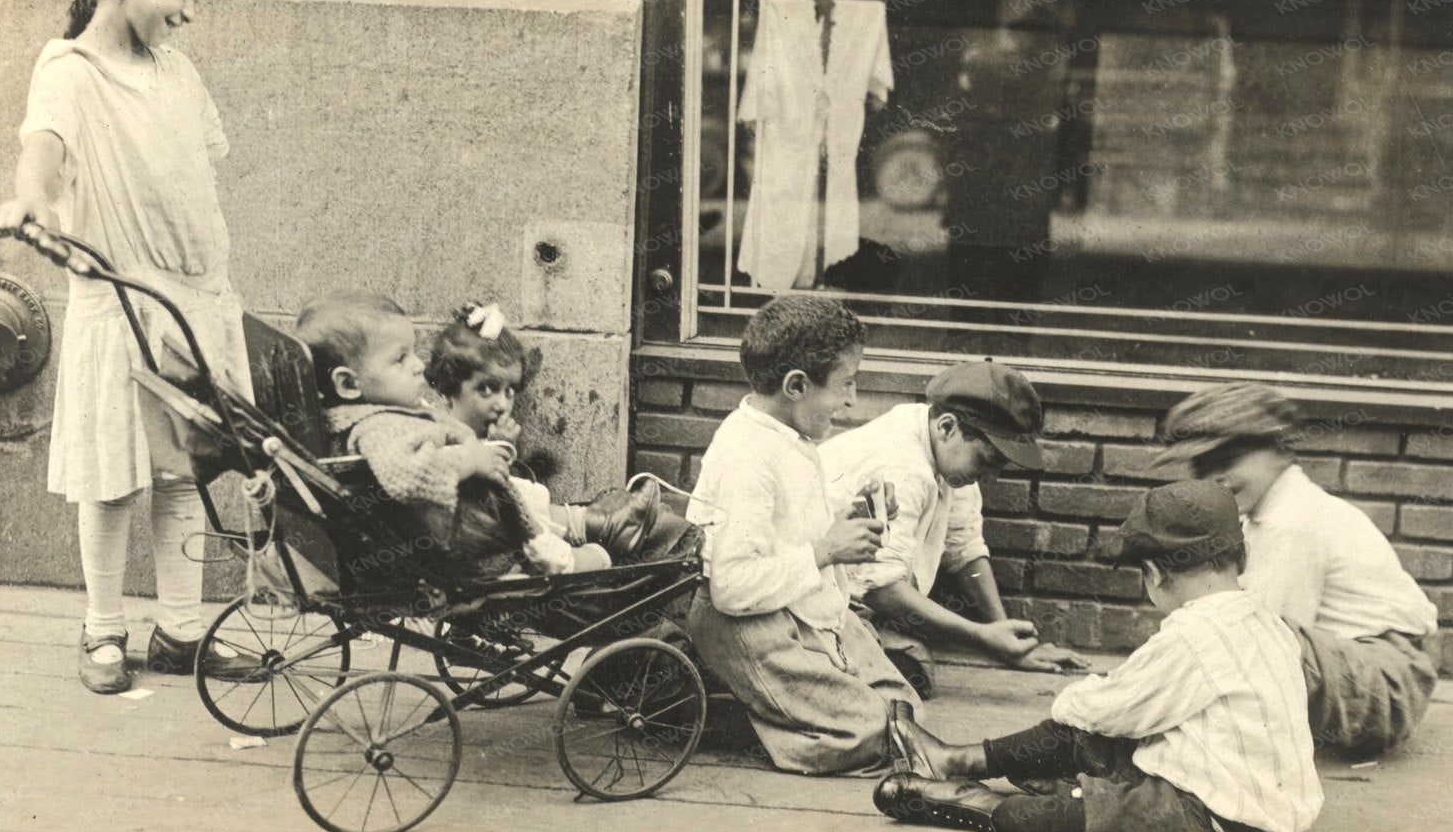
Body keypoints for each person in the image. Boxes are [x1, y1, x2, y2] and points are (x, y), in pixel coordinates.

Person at [0, 0, 259, 695]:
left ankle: (181, 631)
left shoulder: (177, 71)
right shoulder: (70, 70)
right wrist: (34, 199)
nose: (191, 12)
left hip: (194, 298)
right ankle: (102, 628)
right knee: (109, 475)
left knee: (183, 469)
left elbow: (192, 168)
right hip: (122, 301)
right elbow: (43, 148)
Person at [873, 480, 1321, 832]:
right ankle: (954, 758)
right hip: (1235, 798)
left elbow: (1104, 710)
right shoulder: (1266, 621)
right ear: (1241, 557)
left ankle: (974, 801)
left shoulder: (1195, 635)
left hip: (1222, 822)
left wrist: (1080, 699)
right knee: (1098, 748)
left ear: (1154, 574)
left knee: (1098, 818)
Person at [685, 294, 920, 775]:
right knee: (871, 732)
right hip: (749, 623)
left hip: (801, 606)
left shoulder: (790, 437)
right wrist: (826, 551)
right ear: (796, 385)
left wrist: (855, 509)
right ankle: (725, 718)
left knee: (905, 713)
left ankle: (775, 704)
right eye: (846, 384)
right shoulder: (746, 456)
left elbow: (798, 522)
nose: (852, 400)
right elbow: (731, 587)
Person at [1154, 381, 1441, 759]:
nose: (1214, 478)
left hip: (1383, 685)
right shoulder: (1270, 514)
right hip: (1367, 673)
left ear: (1279, 450)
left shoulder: (1292, 520)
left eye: (1228, 460)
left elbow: (1264, 633)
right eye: (1200, 466)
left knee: (1244, 628)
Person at [821, 358, 1092, 695]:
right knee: (910, 672)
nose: (990, 478)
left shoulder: (942, 446)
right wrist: (983, 638)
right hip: (819, 602)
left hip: (862, 602)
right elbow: (881, 589)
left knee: (909, 664)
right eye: (987, 461)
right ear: (948, 427)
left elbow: (964, 549)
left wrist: (1007, 637)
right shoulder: (903, 466)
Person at [294, 294, 565, 584]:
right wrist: (471, 459)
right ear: (348, 384)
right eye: (400, 358)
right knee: (585, 560)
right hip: (471, 558)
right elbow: (410, 473)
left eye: (413, 352)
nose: (418, 366)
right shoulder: (378, 429)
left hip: (468, 541)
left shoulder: (380, 414)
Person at [424, 302, 689, 568]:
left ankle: (597, 523)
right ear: (447, 391)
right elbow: (483, 497)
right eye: (486, 389)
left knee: (530, 495)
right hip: (486, 538)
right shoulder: (439, 438)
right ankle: (602, 548)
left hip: (505, 522)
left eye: (509, 391)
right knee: (569, 543)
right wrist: (498, 449)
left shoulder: (476, 433)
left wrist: (500, 448)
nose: (502, 404)